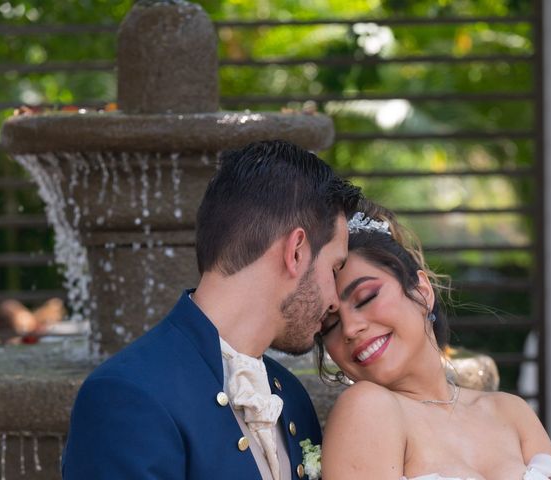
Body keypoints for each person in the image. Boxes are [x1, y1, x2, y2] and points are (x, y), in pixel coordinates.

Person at [62, 140, 362, 479]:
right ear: (295, 252)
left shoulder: (291, 395)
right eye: (334, 269)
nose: (336, 300)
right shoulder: (125, 395)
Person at [316, 201, 551, 480]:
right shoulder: (366, 408)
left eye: (366, 298)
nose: (350, 329)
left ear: (422, 291)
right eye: (330, 325)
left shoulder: (512, 413)